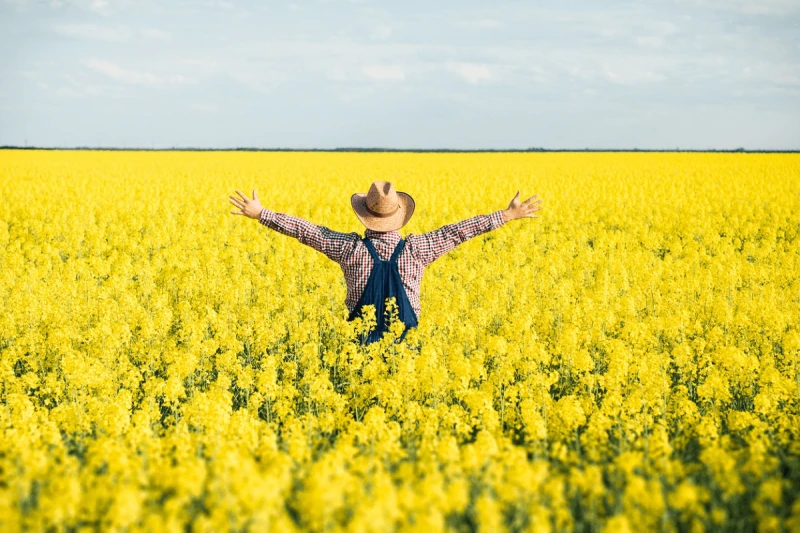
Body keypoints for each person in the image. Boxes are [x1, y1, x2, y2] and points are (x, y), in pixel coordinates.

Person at [229, 181, 542, 344]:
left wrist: (262, 214)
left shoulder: (349, 249)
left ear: (365, 216)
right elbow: (458, 231)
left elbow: (307, 231)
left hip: (360, 347)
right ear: (400, 217)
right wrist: (508, 215)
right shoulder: (418, 249)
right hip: (407, 351)